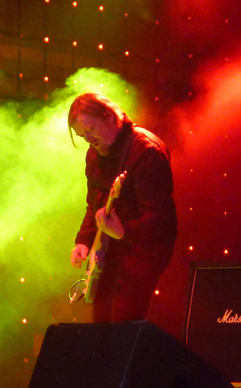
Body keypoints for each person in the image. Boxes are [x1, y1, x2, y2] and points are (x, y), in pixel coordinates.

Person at [68, 92, 178, 322]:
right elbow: (94, 204)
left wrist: (124, 231)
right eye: (82, 135)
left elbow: (162, 219)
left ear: (109, 116)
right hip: (109, 255)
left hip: (142, 254)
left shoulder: (146, 150)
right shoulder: (94, 154)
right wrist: (84, 240)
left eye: (90, 129)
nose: (88, 139)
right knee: (101, 326)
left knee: (123, 326)